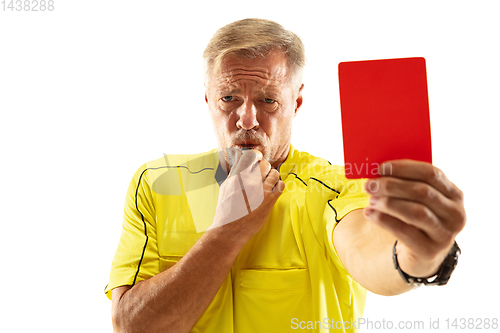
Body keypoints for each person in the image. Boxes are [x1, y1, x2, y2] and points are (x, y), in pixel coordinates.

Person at [105, 18, 466, 333]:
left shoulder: (336, 187)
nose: (246, 119)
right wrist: (226, 232)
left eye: (268, 101)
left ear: (296, 102)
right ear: (207, 100)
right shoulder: (156, 183)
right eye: (229, 98)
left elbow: (367, 253)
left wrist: (422, 255)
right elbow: (134, 326)